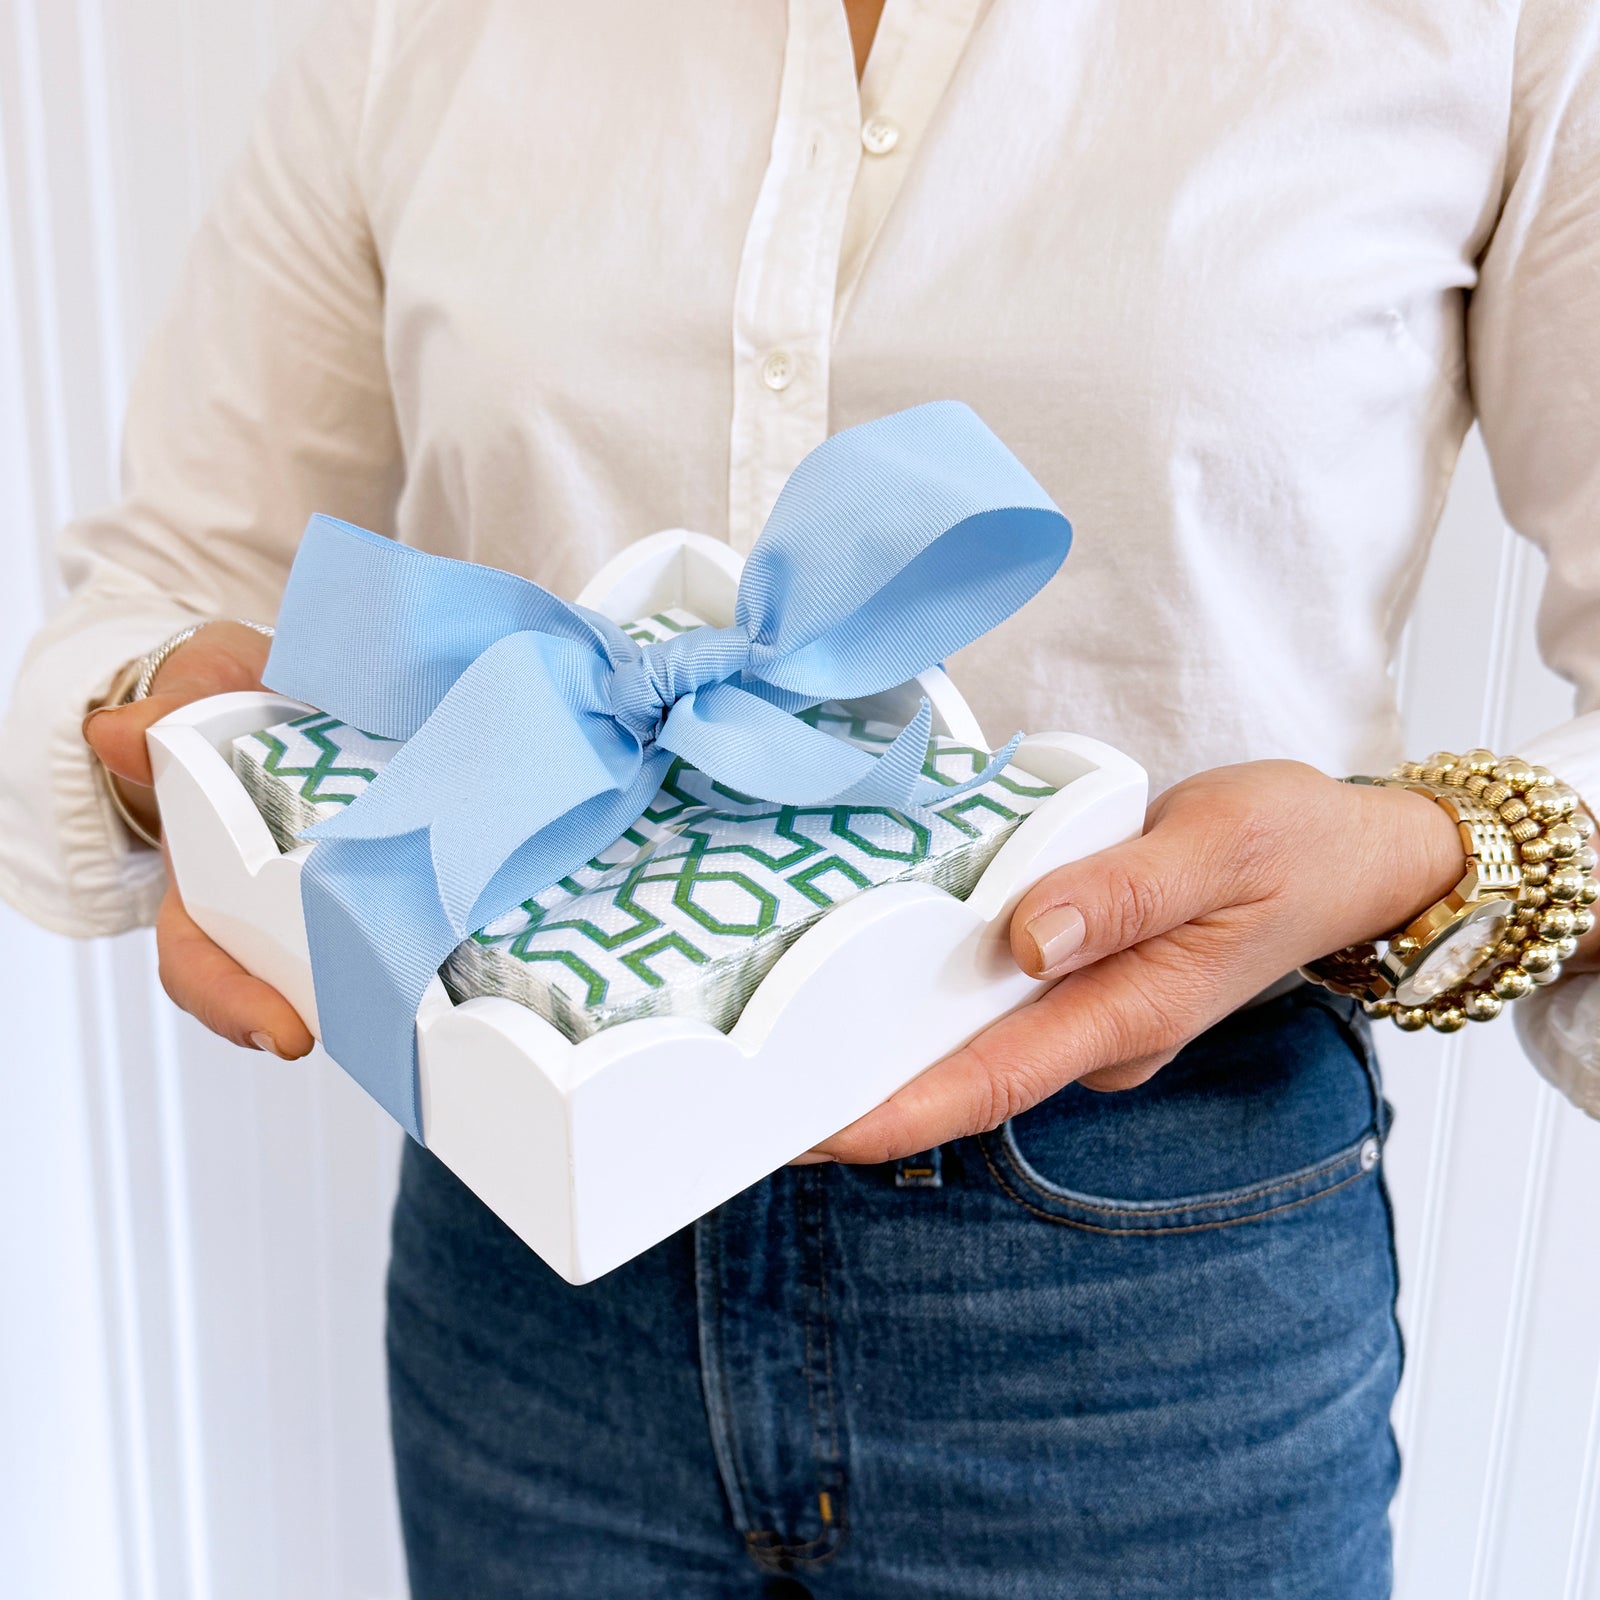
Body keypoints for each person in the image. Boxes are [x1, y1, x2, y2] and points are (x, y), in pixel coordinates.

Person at [4, 1, 1599, 1594]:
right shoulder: (417, 28)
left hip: (1142, 1261)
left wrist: (1437, 855)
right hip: (526, 1211)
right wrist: (175, 751)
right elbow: (181, 578)